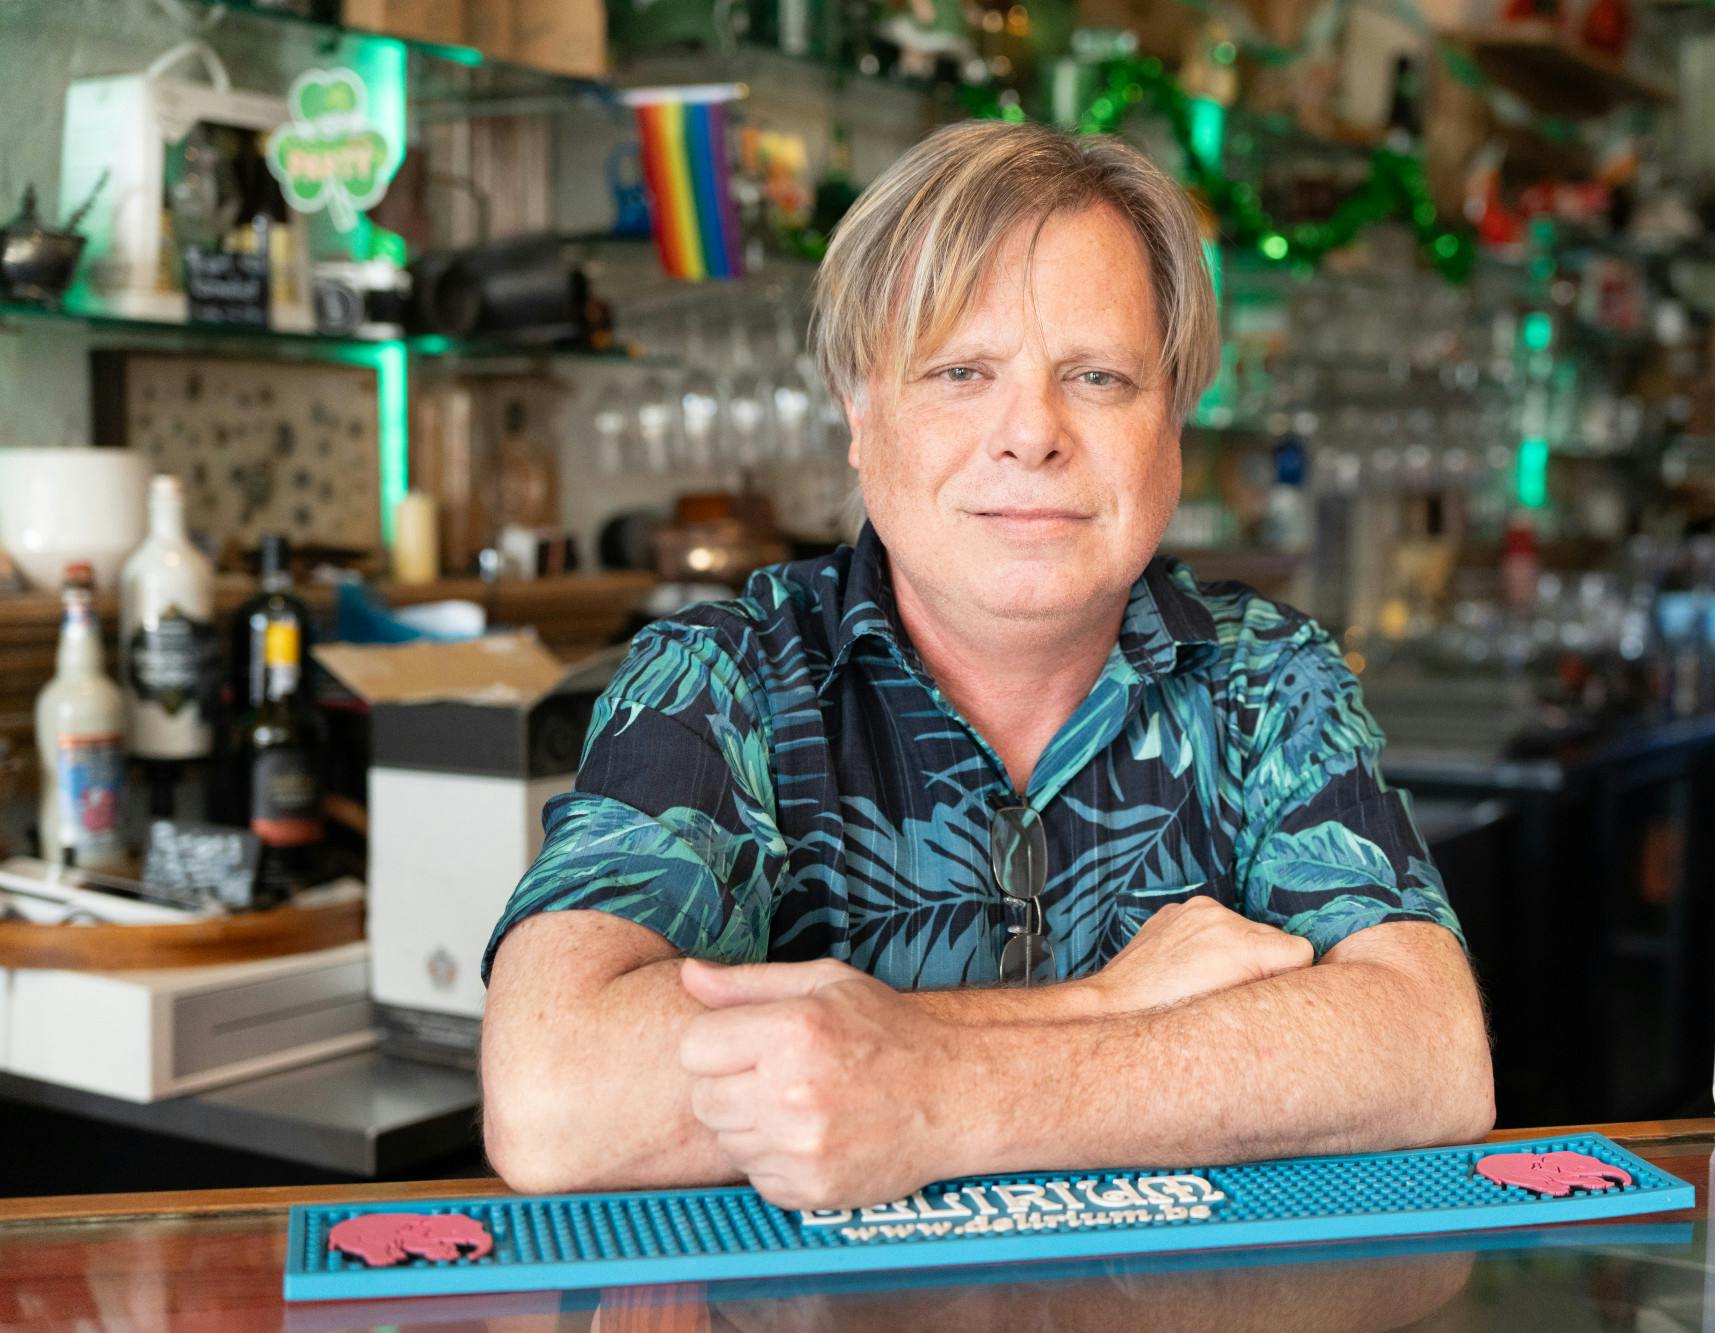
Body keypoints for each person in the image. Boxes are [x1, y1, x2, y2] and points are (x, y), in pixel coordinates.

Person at [480, 120, 1493, 1209]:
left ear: (1174, 426)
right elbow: (552, 1095)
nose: (1031, 434)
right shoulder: (719, 679)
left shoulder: (1265, 677)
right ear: (858, 417)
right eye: (962, 371)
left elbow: (1430, 1054)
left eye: (1097, 376)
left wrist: (938, 1089)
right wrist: (1105, 1008)